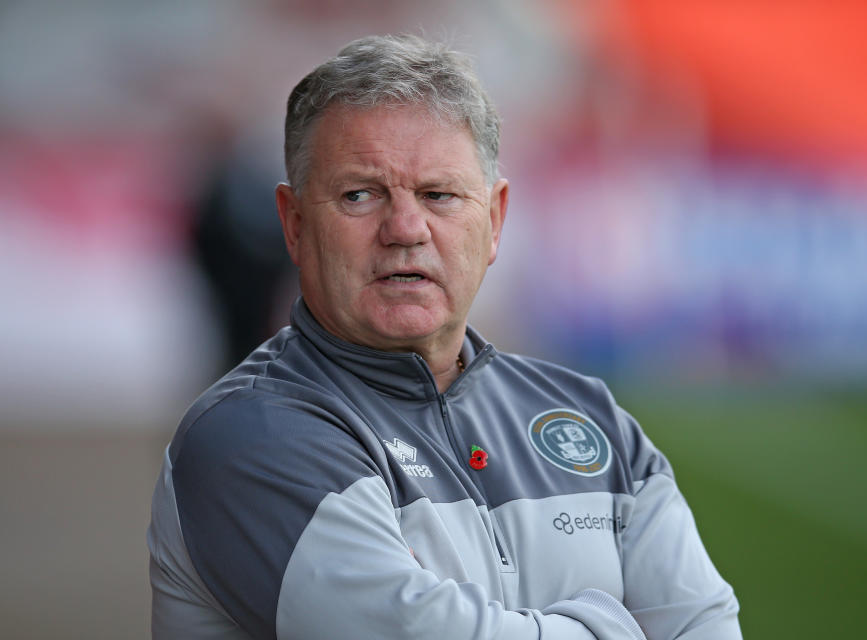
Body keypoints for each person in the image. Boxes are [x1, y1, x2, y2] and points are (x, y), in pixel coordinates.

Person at [148, 34, 742, 639]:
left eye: (439, 195)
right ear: (294, 224)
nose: (406, 229)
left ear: (493, 222)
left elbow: (708, 627)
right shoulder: (249, 437)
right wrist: (614, 626)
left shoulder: (590, 419)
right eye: (360, 195)